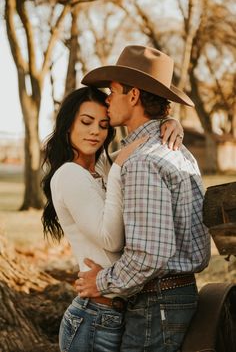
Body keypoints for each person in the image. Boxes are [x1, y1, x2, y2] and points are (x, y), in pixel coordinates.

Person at [76, 45, 211, 352]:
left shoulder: (144, 161)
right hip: (167, 300)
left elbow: (150, 254)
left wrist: (100, 282)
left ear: (133, 96)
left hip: (156, 303)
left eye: (113, 91)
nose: (107, 100)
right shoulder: (172, 149)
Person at [41, 86, 184, 352]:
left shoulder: (101, 168)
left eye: (103, 124)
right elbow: (111, 239)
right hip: (92, 319)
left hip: (118, 314)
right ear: (67, 125)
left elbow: (138, 152)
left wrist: (170, 123)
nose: (95, 131)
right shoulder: (69, 175)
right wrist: (119, 170)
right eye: (86, 122)